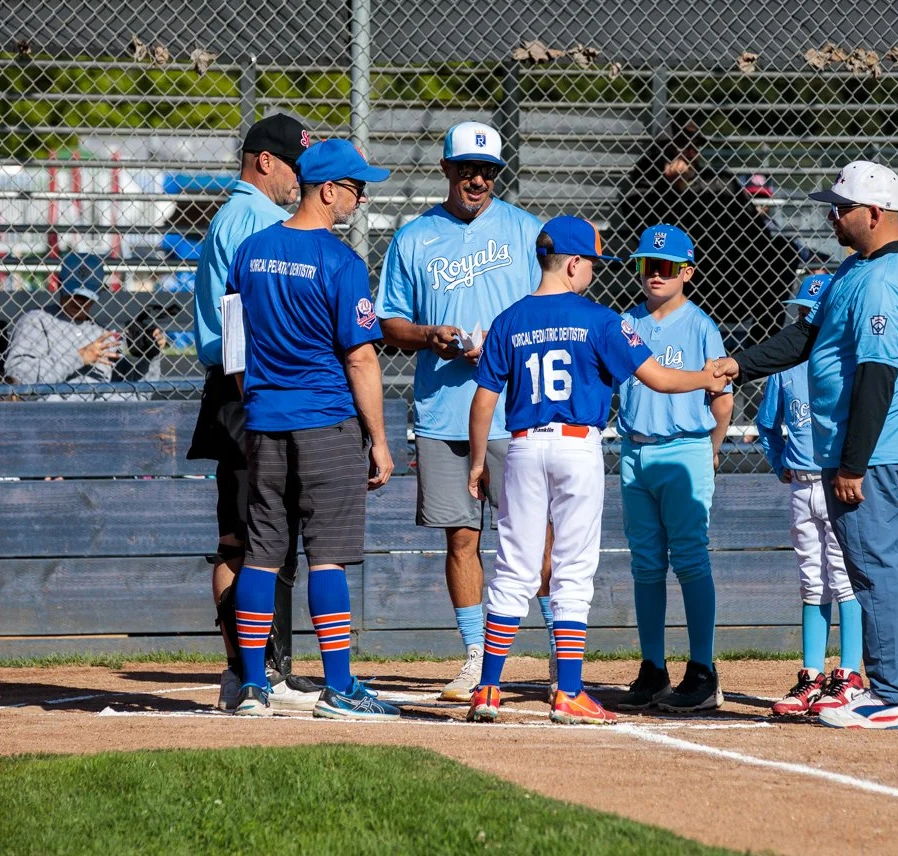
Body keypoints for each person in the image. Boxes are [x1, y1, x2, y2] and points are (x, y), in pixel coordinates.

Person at [709, 160, 898, 731]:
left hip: (873, 456)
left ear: (875, 213)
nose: (833, 216)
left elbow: (878, 376)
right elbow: (807, 336)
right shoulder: (859, 267)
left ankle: (891, 696)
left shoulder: (882, 279)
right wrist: (740, 365)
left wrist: (852, 464)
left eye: (842, 207)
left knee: (875, 572)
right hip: (883, 452)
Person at [463, 217, 715, 725]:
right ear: (573, 263)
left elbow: (484, 399)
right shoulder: (601, 319)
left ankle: (487, 688)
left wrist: (476, 461)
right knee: (573, 569)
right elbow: (658, 378)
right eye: (592, 263)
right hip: (577, 446)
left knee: (514, 567)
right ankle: (570, 691)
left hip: (523, 446)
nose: (594, 272)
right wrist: (705, 376)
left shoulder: (509, 318)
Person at [376, 121, 558, 703]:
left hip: (515, 410)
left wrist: (506, 344)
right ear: (446, 170)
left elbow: (553, 306)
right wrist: (431, 335)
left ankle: (562, 659)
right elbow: (389, 322)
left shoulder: (526, 232)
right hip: (443, 411)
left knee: (537, 540)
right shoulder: (414, 238)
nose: (477, 180)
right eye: (466, 169)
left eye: (487, 171)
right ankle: (478, 658)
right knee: (460, 538)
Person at [224, 138, 398, 720]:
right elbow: (361, 358)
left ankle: (253, 687)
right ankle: (340, 688)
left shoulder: (251, 251)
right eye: (355, 188)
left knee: (261, 554)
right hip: (326, 421)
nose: (360, 199)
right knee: (327, 556)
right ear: (326, 190)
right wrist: (379, 440)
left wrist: (258, 403)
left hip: (264, 421)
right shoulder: (341, 262)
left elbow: (235, 348)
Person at [185, 113, 317, 714]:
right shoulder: (255, 220)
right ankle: (254, 673)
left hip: (240, 384)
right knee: (252, 535)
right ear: (265, 161)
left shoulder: (241, 215)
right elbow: (255, 318)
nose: (300, 180)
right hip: (250, 385)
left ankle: (254, 672)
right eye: (294, 166)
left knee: (250, 534)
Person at [611, 224, 733, 714]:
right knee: (645, 563)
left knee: (690, 559)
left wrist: (712, 449)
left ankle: (702, 670)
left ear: (687, 273)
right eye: (647, 265)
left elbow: (722, 399)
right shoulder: (627, 322)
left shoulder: (701, 325)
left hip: (684, 448)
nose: (655, 274)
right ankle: (653, 668)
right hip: (634, 452)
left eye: (666, 266)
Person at [754, 273, 866, 720]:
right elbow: (767, 425)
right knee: (811, 581)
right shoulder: (785, 369)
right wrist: (778, 462)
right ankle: (812, 676)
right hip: (801, 485)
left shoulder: (845, 363)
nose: (807, 321)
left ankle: (850, 674)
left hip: (837, 484)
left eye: (815, 314)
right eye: (803, 313)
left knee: (844, 578)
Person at [610, 123, 795, 349]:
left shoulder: (717, 180)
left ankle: (757, 353)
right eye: (680, 145)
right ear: (663, 149)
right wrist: (670, 188)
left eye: (694, 146)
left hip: (730, 273)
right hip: (679, 278)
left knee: (784, 249)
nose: (689, 152)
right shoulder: (645, 187)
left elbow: (757, 231)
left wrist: (690, 184)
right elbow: (643, 225)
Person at [3, 252, 165, 393]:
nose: (79, 300)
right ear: (59, 285)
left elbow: (137, 395)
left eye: (86, 296)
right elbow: (19, 379)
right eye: (73, 293)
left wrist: (150, 356)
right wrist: (80, 357)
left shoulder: (103, 335)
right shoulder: (36, 321)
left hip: (99, 416)